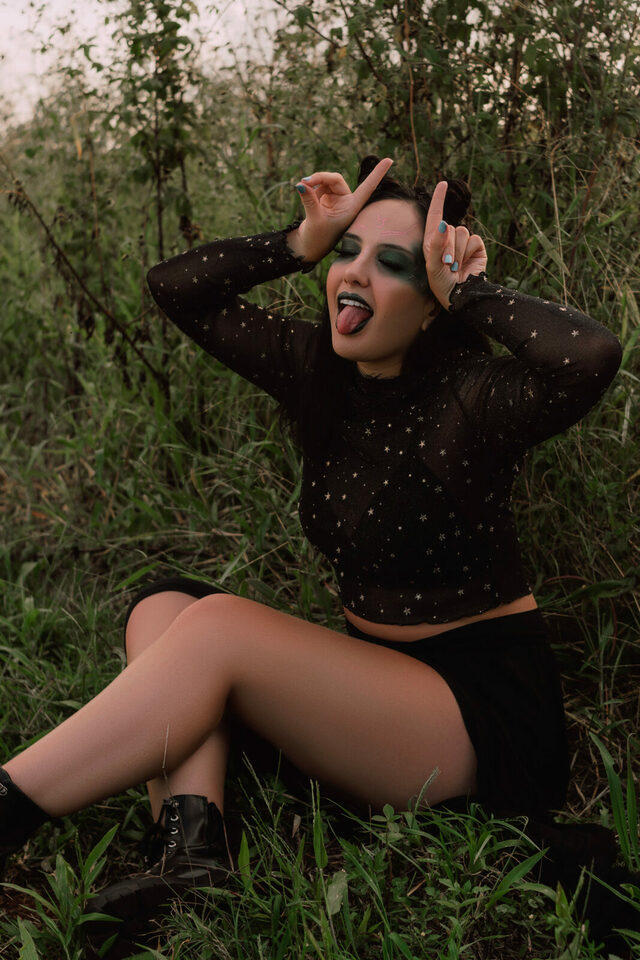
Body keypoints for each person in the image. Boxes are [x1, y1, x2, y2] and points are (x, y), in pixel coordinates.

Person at [0, 156, 636, 955]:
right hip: (374, 686)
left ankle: (11, 808)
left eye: (393, 263)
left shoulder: (473, 397)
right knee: (166, 607)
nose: (355, 273)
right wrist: (298, 241)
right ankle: (191, 853)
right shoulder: (318, 372)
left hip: (479, 721)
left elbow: (590, 356)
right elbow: (175, 288)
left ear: (432, 305)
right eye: (348, 252)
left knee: (218, 630)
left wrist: (471, 292)